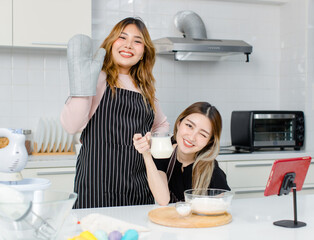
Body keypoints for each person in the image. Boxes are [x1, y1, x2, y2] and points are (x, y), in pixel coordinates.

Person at [60, 17, 169, 208]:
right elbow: (72, 126)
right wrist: (83, 86)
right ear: (111, 44)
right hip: (97, 185)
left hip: (138, 185)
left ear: (143, 53)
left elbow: (161, 125)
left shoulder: (145, 88)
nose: (129, 45)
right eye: (122, 37)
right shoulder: (96, 77)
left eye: (137, 41)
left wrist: (152, 140)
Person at [133, 102, 230, 205]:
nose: (192, 137)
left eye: (202, 134)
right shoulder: (163, 152)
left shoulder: (212, 170)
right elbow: (163, 199)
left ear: (209, 141)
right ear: (179, 124)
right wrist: (146, 154)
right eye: (189, 126)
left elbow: (221, 207)